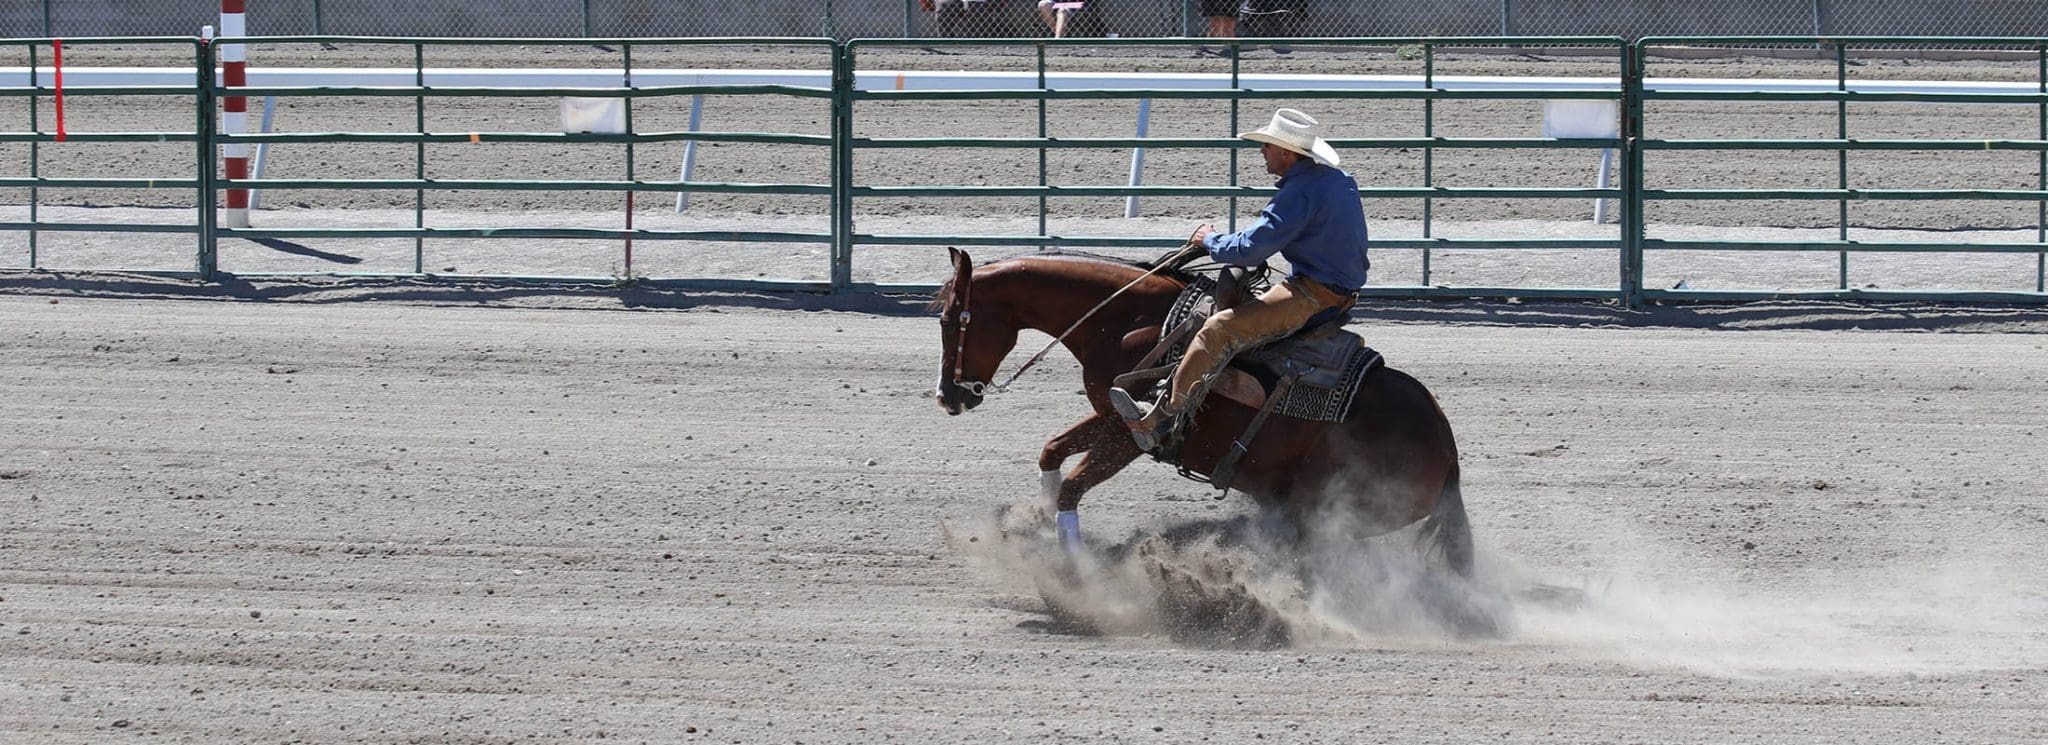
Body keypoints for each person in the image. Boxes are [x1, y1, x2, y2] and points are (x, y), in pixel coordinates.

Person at [1110, 108, 1369, 456]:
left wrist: (1210, 240)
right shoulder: (1338, 180)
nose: (1262, 151)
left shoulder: (1299, 193)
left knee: (1218, 329)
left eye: (1267, 146)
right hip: (1331, 286)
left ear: (1287, 154)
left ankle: (1162, 418)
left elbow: (1250, 249)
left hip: (1313, 294)